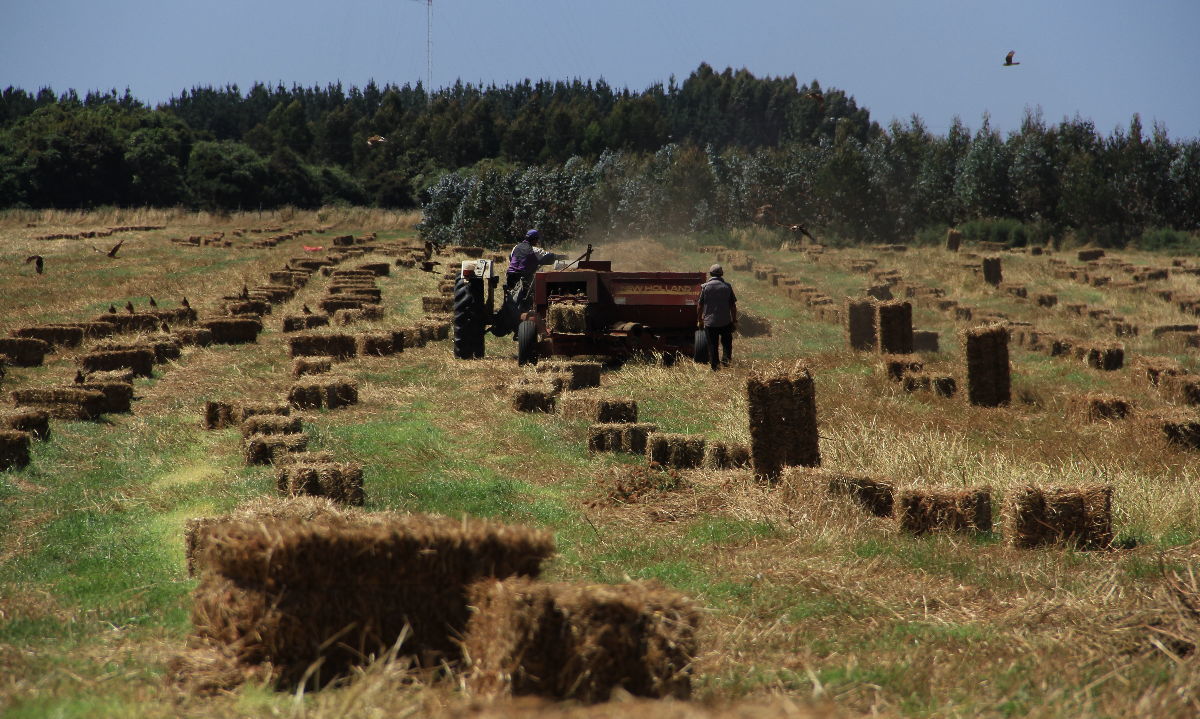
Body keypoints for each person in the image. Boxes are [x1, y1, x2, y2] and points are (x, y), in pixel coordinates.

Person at [697, 264, 737, 370]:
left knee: (713, 345)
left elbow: (700, 305)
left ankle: (715, 366)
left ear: (710, 274)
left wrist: (700, 320)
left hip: (710, 323)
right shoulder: (727, 287)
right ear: (721, 274)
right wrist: (734, 320)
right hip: (725, 321)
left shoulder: (705, 287)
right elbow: (732, 306)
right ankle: (726, 362)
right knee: (727, 343)